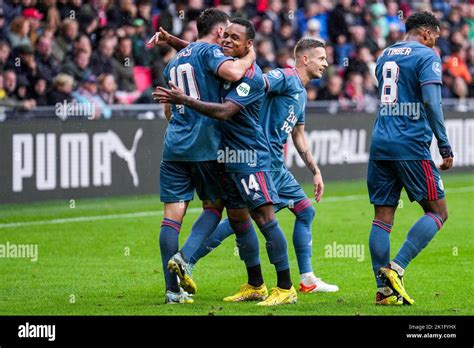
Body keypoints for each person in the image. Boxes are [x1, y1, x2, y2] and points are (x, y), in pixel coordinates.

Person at [155, 19, 298, 306]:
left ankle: (286, 287)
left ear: (249, 45)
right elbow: (200, 52)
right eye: (226, 36)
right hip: (224, 157)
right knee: (238, 220)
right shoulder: (221, 67)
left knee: (265, 219)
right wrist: (174, 41)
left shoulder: (250, 76)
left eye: (235, 38)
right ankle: (255, 284)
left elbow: (224, 111)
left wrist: (185, 99)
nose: (228, 41)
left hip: (248, 157)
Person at [187, 38, 339, 294]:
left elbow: (298, 135)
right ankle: (188, 260)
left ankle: (308, 279)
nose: (326, 63)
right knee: (239, 220)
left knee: (305, 211)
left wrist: (316, 171)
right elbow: (259, 82)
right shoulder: (286, 77)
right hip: (259, 162)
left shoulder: (301, 92)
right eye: (321, 58)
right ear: (305, 59)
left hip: (276, 167)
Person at [148, 9, 256, 305]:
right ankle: (184, 258)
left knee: (171, 220)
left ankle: (172, 292)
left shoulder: (173, 62)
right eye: (227, 33)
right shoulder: (211, 53)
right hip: (205, 146)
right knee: (214, 207)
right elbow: (235, 72)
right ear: (220, 32)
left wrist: (170, 39)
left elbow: (168, 111)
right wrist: (250, 56)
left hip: (174, 147)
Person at [367, 11, 453, 305]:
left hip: (380, 143)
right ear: (427, 33)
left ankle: (384, 291)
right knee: (438, 212)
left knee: (381, 219)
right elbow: (431, 101)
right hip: (410, 145)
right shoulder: (427, 56)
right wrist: (444, 145)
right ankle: (396, 267)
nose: (436, 43)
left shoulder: (384, 55)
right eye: (436, 38)